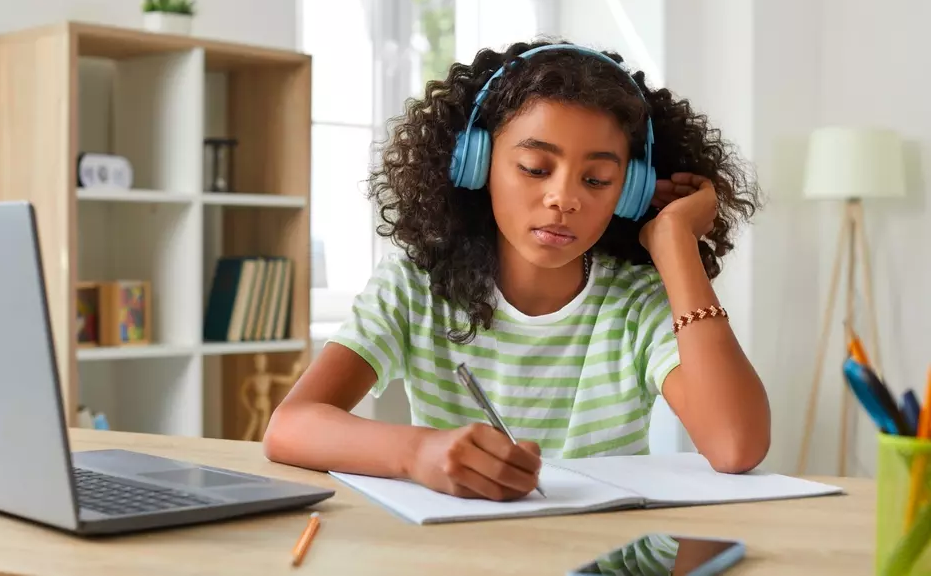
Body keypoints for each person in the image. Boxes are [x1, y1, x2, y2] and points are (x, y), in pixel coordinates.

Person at [263, 39, 770, 502]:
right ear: (476, 164)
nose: (564, 198)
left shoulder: (636, 300)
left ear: (630, 191)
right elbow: (290, 426)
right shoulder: (417, 283)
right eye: (534, 168)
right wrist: (419, 453)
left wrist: (675, 241)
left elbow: (734, 445)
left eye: (597, 179)